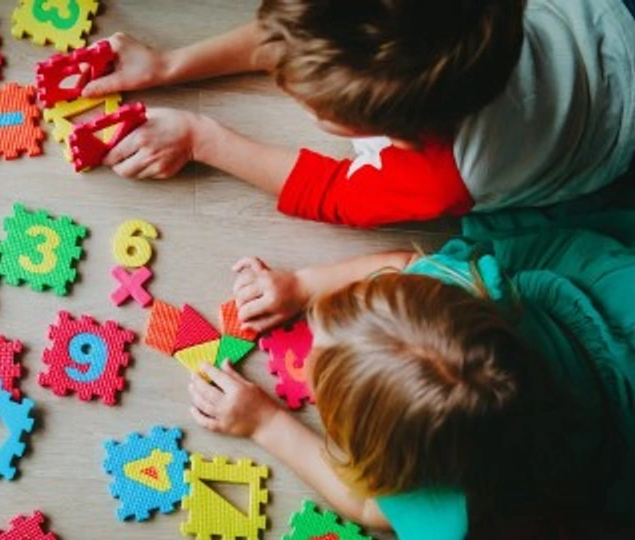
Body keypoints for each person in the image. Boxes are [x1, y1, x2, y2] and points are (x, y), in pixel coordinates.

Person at [186, 209, 635, 538]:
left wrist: (265, 422)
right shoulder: (457, 289)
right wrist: (303, 286)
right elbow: (402, 267)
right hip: (605, 309)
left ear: (385, 460)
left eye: (317, 368)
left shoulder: (446, 509)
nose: (306, 350)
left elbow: (365, 505)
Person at [83, 0, 635, 228]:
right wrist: (168, 63)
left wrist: (202, 138)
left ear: (390, 132)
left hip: (610, 138)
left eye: (306, 99)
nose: (279, 76)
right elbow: (303, 33)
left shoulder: (443, 175)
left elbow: (337, 193)